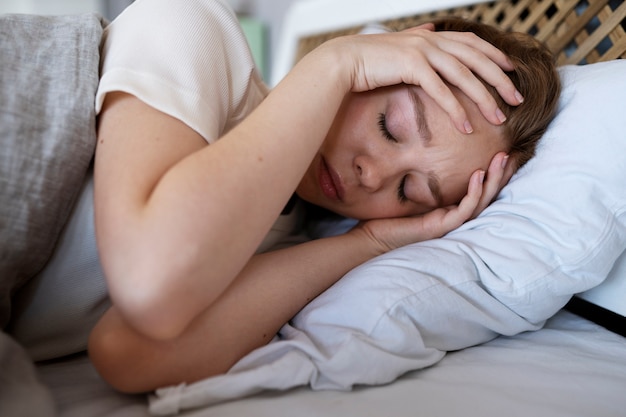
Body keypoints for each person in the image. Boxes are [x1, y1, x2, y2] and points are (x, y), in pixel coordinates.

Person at [7, 0, 559, 393]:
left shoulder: (288, 241)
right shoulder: (197, 29)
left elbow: (126, 354)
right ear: (391, 55)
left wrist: (368, 243)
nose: (372, 175)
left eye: (410, 190)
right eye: (391, 126)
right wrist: (339, 61)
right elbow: (150, 282)